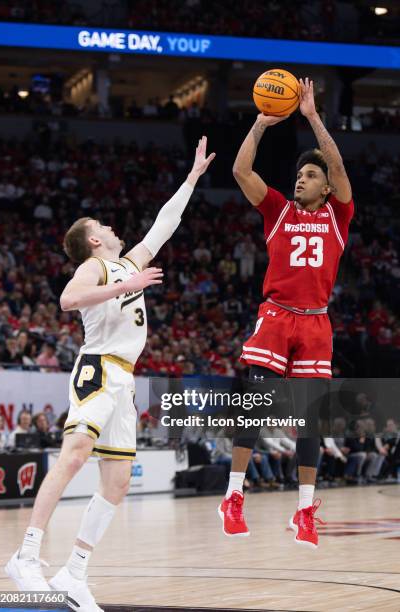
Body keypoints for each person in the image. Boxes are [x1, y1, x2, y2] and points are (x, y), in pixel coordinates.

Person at [6, 137, 215, 609]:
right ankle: (26, 554)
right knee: (76, 454)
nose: (113, 226)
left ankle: (74, 572)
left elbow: (165, 225)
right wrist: (128, 282)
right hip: (98, 368)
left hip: (126, 378)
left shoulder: (124, 262)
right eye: (103, 225)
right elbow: (67, 301)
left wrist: (192, 179)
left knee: (118, 482)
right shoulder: (96, 266)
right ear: (94, 240)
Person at [218, 78, 354, 548]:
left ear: (327, 187)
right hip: (276, 315)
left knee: (312, 420)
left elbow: (336, 164)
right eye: (300, 173)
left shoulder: (339, 216)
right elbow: (240, 169)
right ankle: (233, 496)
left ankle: (304, 511)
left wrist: (314, 117)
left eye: (311, 175)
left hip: (316, 321)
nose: (302, 177)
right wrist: (259, 124)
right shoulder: (277, 209)